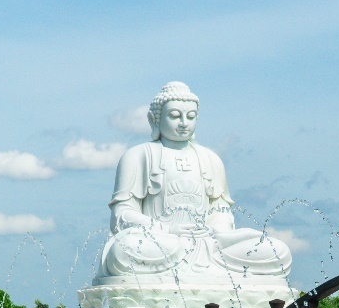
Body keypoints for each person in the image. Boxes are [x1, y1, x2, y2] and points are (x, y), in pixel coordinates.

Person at [95, 81, 292, 283]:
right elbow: (121, 215)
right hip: (162, 243)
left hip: (210, 246)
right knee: (122, 252)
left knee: (278, 252)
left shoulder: (211, 159)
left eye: (190, 117)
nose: (183, 123)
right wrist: (166, 230)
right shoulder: (138, 156)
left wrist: (214, 230)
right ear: (155, 119)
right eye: (174, 116)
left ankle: (204, 269)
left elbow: (222, 210)